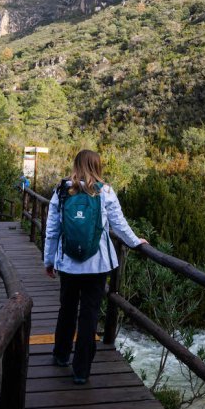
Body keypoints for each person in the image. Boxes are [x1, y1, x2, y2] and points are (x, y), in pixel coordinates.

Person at [43, 149, 147, 384]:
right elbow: (119, 225)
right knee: (89, 315)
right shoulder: (105, 192)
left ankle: (60, 355)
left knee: (67, 309)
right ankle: (81, 371)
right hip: (98, 265)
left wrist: (49, 261)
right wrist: (135, 242)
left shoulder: (62, 191)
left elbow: (52, 231)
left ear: (76, 164)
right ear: (97, 166)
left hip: (68, 264)